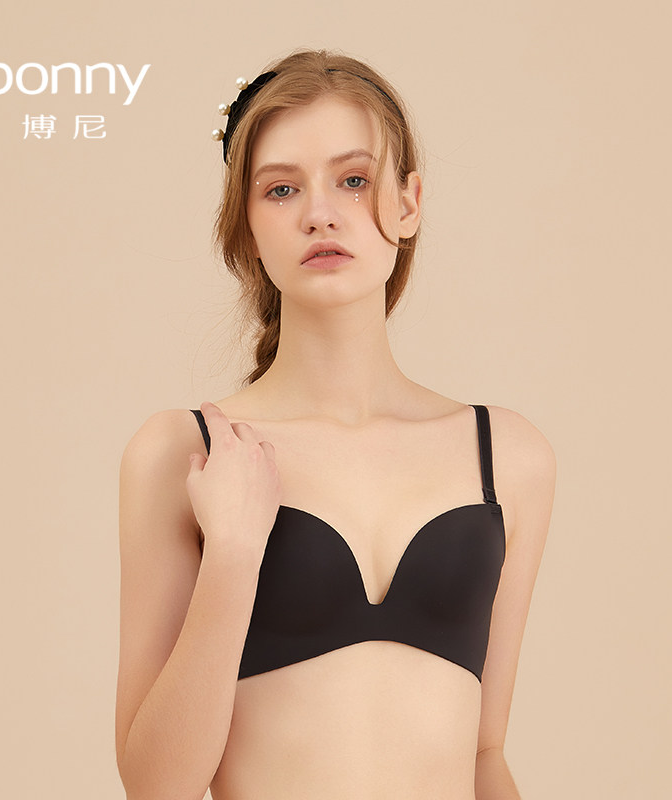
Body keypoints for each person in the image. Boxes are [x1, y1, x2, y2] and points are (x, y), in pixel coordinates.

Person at [114, 49, 556, 800]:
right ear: (247, 228)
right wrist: (232, 558)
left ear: (409, 202)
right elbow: (157, 787)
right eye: (281, 189)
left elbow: (485, 754)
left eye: (353, 179)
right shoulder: (186, 453)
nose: (319, 212)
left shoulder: (508, 457)